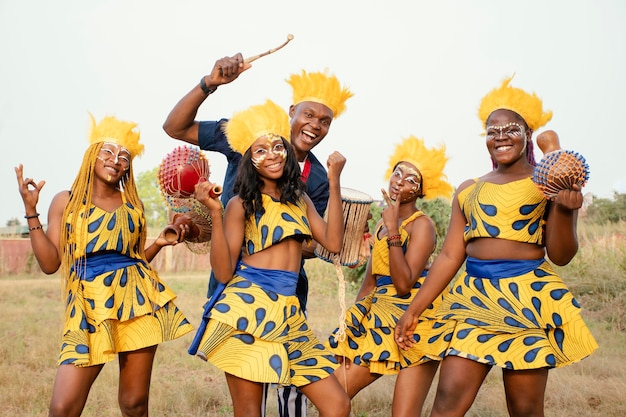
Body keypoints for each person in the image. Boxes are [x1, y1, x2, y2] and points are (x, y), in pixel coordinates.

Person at [394, 77, 598, 417]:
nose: (500, 136)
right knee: (447, 401)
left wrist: (564, 207)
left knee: (525, 408)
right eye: (492, 130)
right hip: (473, 300)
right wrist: (413, 310)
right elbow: (449, 256)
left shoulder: (546, 183)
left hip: (525, 299)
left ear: (528, 135)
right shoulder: (468, 189)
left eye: (511, 129)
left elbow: (562, 255)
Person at [162, 54, 353, 416]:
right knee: (251, 411)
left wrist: (334, 180)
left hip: (290, 306)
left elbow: (331, 244)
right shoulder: (240, 157)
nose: (314, 125)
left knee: (337, 404)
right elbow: (174, 126)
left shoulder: (304, 192)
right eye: (308, 115)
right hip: (245, 304)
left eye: (324, 120)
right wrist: (210, 83)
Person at [14, 114, 194, 417]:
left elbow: (133, 263)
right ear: (92, 155)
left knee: (134, 404)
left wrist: (158, 245)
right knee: (62, 407)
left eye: (124, 156)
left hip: (138, 305)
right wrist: (31, 211)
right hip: (88, 308)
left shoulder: (132, 206)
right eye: (108, 151)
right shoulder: (65, 201)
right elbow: (49, 263)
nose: (116, 160)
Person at [327, 136, 453, 417]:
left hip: (417, 321)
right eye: (398, 172)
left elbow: (404, 283)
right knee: (335, 389)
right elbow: (370, 281)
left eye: (411, 179)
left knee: (404, 413)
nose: (400, 181)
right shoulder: (384, 226)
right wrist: (350, 325)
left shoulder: (423, 226)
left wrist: (394, 227)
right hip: (380, 313)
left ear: (421, 191)